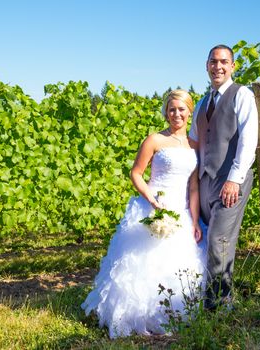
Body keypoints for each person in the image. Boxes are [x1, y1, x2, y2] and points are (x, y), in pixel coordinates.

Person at [81, 89, 207, 338]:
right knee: (143, 263)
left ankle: (172, 315)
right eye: (171, 109)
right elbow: (136, 173)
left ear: (190, 111)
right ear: (166, 112)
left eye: (181, 109)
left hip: (181, 212)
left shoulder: (195, 145)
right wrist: (151, 200)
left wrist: (195, 220)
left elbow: (193, 186)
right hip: (155, 207)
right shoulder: (154, 140)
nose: (176, 114)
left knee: (176, 265)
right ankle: (135, 317)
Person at [188, 44, 258, 310]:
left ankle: (218, 306)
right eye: (213, 62)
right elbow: (194, 143)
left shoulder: (242, 95)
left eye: (223, 62)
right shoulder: (203, 104)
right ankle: (204, 301)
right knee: (205, 240)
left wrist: (234, 179)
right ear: (207, 65)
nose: (218, 66)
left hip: (229, 181)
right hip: (205, 182)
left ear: (232, 66)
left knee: (219, 241)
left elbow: (249, 141)